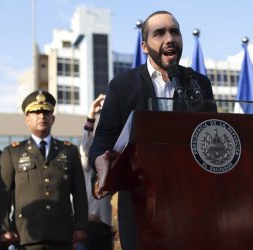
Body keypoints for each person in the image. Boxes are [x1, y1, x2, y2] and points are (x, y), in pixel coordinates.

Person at [89, 10, 215, 249]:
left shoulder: (198, 84)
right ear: (145, 46)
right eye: (160, 33)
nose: (170, 38)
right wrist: (99, 160)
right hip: (139, 203)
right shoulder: (123, 85)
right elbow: (104, 136)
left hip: (189, 203)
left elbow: (212, 133)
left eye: (175, 32)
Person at [0, 90, 88, 250]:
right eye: (35, 112)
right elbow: (3, 194)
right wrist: (3, 229)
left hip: (62, 235)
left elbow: (79, 192)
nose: (41, 116)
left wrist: (81, 226)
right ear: (26, 119)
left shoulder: (69, 151)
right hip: (26, 236)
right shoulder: (12, 152)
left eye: (46, 112)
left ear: (53, 118)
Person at [80, 94, 115, 250]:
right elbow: (86, 145)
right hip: (91, 228)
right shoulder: (90, 162)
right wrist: (91, 115)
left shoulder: (117, 156)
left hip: (112, 229)